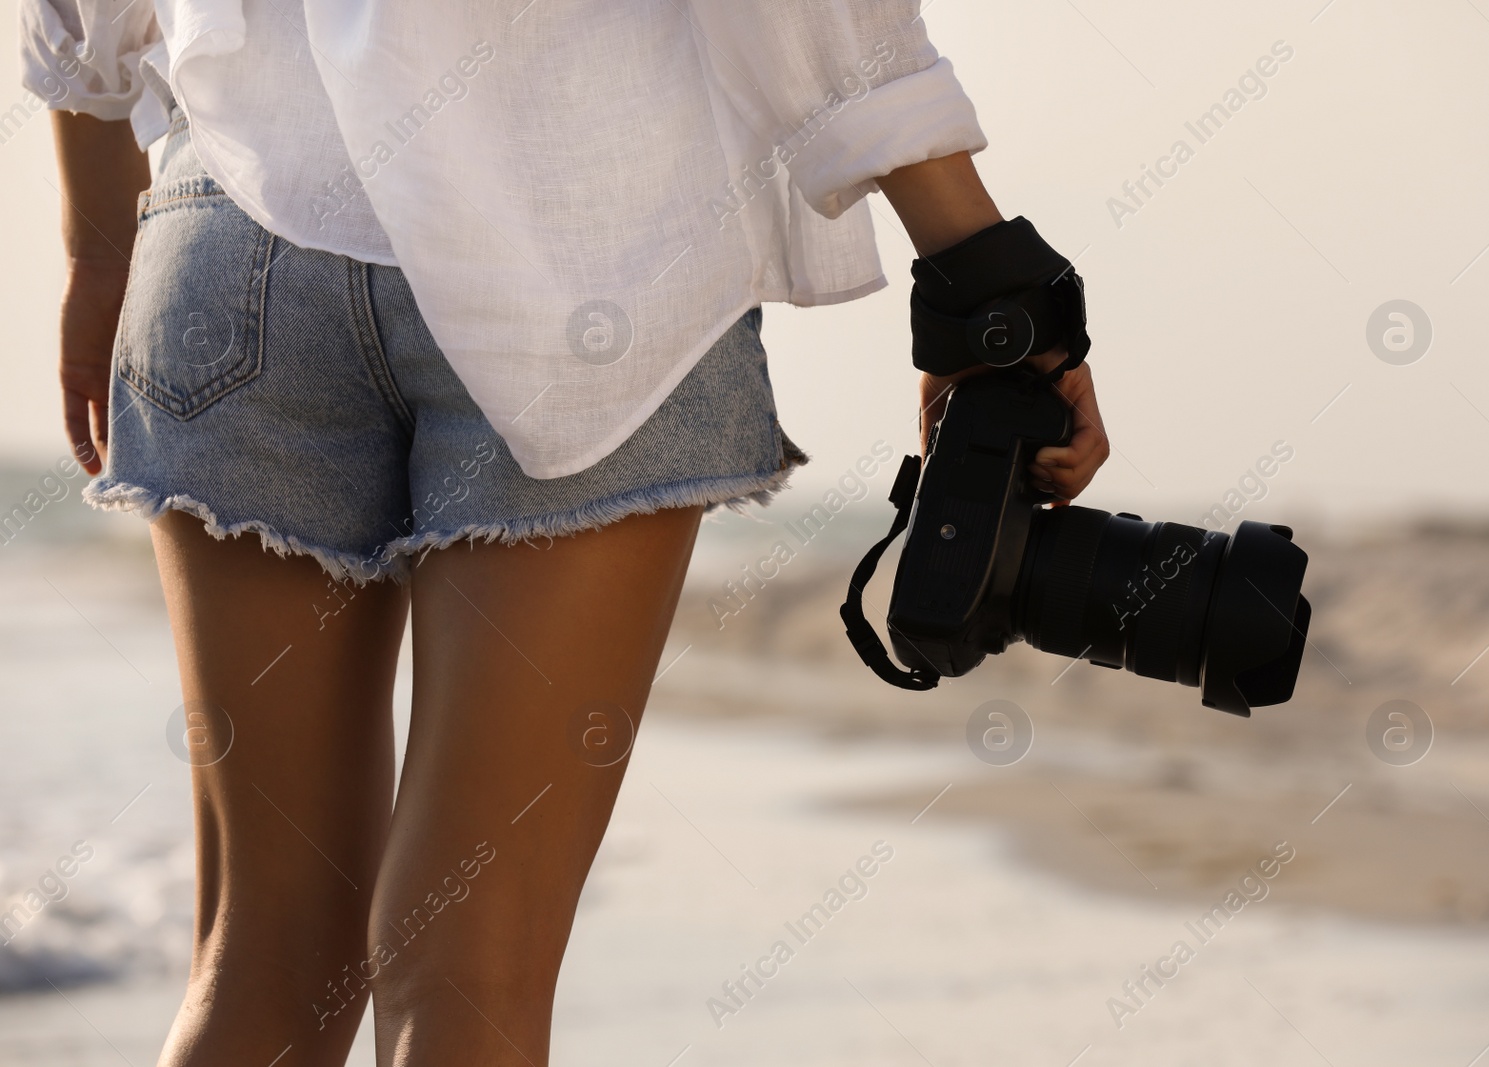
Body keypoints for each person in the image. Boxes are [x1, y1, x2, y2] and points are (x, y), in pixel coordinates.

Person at [23, 1, 1110, 1062]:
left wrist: (97, 242)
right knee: (465, 966)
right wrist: (981, 275)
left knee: (258, 965)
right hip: (584, 238)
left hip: (237, 229)